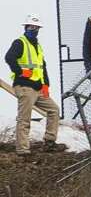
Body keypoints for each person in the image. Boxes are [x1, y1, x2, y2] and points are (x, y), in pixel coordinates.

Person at [5, 13, 62, 155]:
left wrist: (46, 85)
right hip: (24, 86)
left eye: (36, 27)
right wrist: (19, 72)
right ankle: (23, 149)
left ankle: (50, 141)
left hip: (37, 87)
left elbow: (42, 67)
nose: (34, 29)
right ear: (26, 27)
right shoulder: (20, 42)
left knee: (54, 110)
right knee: (25, 118)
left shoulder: (38, 46)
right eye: (31, 27)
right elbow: (9, 57)